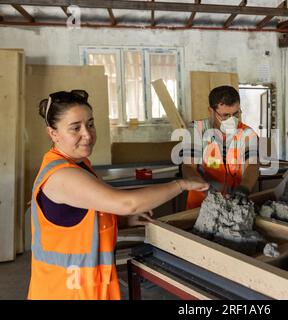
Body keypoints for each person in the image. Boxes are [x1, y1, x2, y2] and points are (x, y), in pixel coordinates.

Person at [28, 90, 208, 300]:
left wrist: (122, 220)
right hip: (64, 292)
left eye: (90, 124)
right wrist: (181, 184)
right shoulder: (62, 175)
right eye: (75, 128)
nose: (87, 134)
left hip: (87, 288)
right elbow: (127, 203)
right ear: (53, 133)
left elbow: (81, 216)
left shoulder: (79, 164)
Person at [182, 85, 259, 209]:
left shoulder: (247, 133)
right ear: (211, 111)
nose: (232, 119)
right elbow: (187, 166)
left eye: (236, 114)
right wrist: (200, 184)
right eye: (225, 115)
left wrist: (244, 187)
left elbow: (252, 165)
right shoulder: (196, 130)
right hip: (201, 205)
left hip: (235, 203)